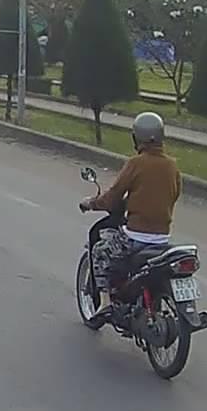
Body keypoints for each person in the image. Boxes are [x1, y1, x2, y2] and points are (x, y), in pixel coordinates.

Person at [81, 112, 182, 314]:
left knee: (100, 250)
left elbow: (113, 196)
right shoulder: (172, 165)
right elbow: (173, 194)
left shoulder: (136, 163)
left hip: (136, 237)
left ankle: (105, 302)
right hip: (162, 239)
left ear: (137, 137)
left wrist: (91, 203)